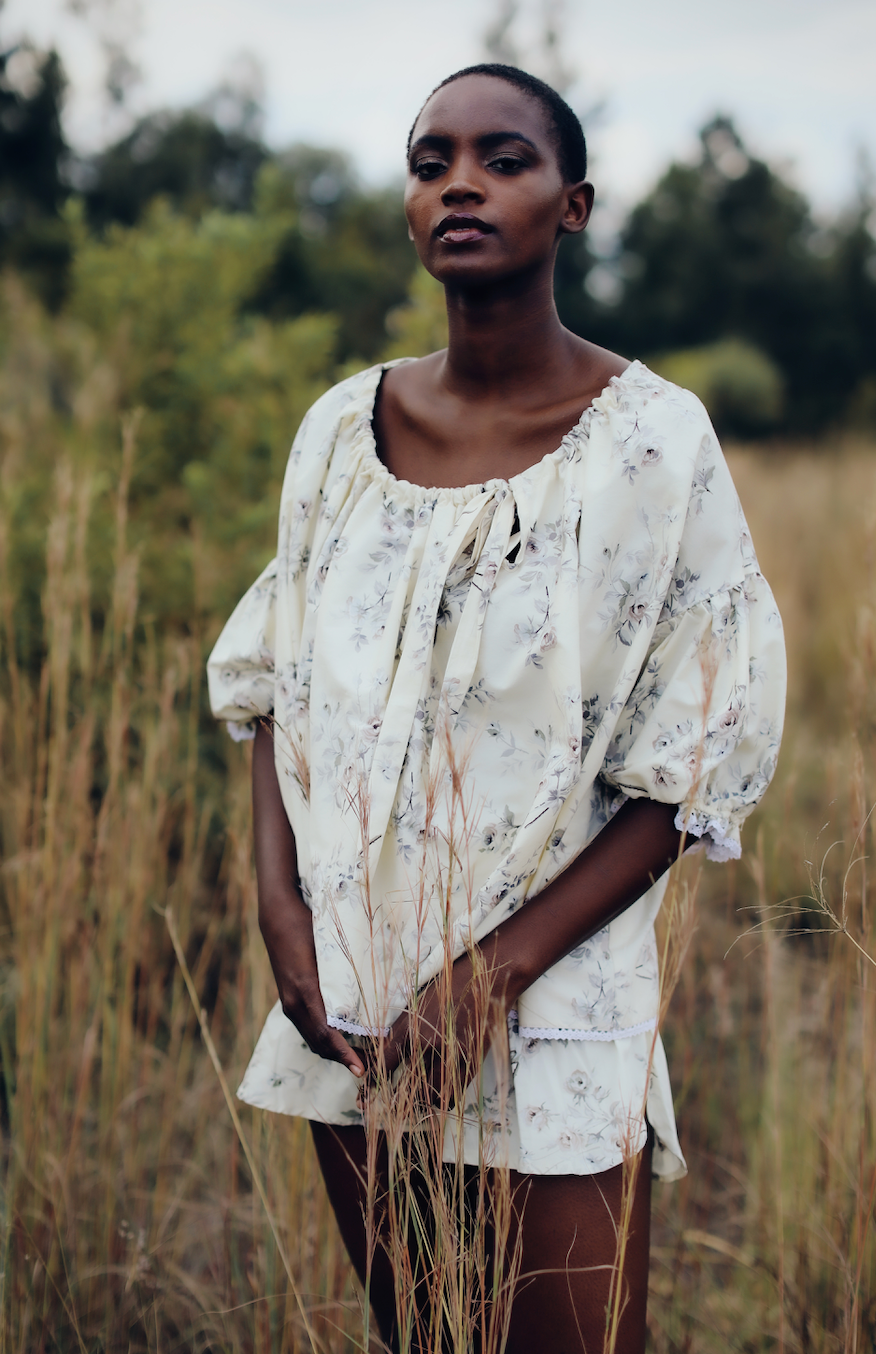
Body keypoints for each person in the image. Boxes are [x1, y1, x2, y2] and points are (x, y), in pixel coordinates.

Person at [208, 63, 786, 1354]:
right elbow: (275, 690)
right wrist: (281, 910)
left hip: (550, 995)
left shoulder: (651, 441)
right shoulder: (337, 433)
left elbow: (685, 773)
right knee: (422, 1335)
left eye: (502, 159)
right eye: (430, 162)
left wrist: (487, 981)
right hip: (353, 997)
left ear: (571, 206)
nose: (459, 183)